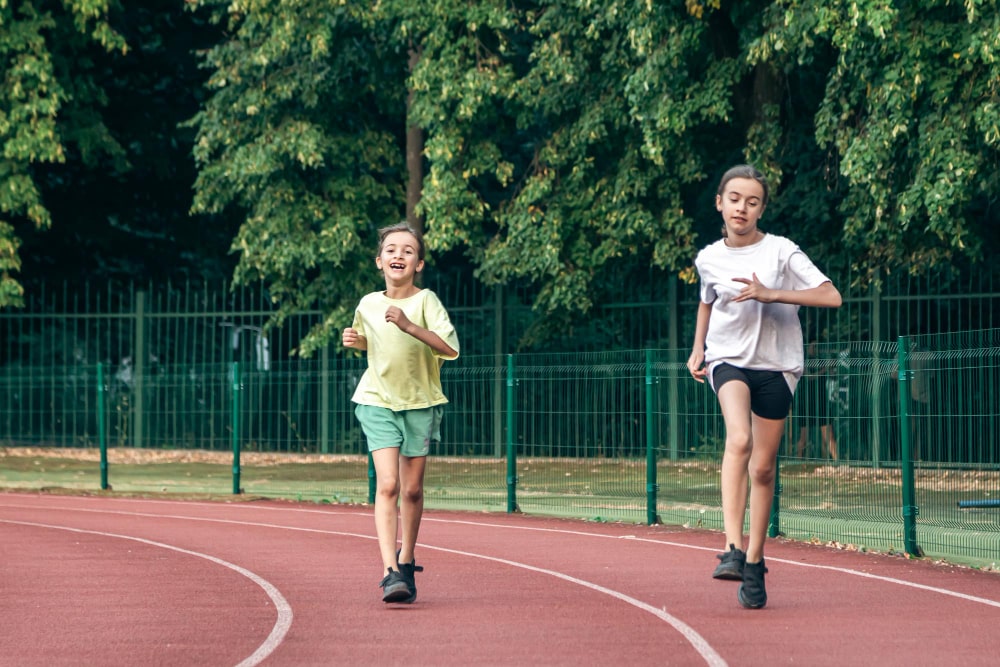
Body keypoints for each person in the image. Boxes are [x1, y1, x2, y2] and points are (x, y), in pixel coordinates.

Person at [687, 165, 842, 609]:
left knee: (763, 468)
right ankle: (732, 549)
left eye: (752, 201)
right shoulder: (708, 258)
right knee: (739, 438)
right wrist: (698, 349)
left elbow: (831, 296)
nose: (742, 207)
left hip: (777, 366)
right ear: (720, 202)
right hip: (728, 360)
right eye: (734, 198)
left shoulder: (781, 252)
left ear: (761, 208)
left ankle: (755, 562)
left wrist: (772, 294)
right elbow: (706, 302)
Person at [342, 222, 460, 603]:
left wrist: (409, 325)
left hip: (421, 403)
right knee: (388, 485)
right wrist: (356, 341)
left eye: (408, 251)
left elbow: (449, 347)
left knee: (411, 489)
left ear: (419, 263)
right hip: (377, 399)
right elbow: (371, 344)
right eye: (391, 250)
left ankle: (406, 558)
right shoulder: (367, 304)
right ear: (380, 261)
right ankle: (389, 572)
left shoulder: (426, 302)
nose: (399, 255)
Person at [793, 341, 839, 460]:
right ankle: (799, 462)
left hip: (821, 401)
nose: (816, 349)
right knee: (803, 437)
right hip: (807, 402)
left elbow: (833, 376)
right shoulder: (803, 361)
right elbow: (809, 377)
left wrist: (832, 368)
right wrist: (825, 369)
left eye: (818, 346)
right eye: (814, 346)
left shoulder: (822, 360)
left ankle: (838, 462)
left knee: (829, 436)